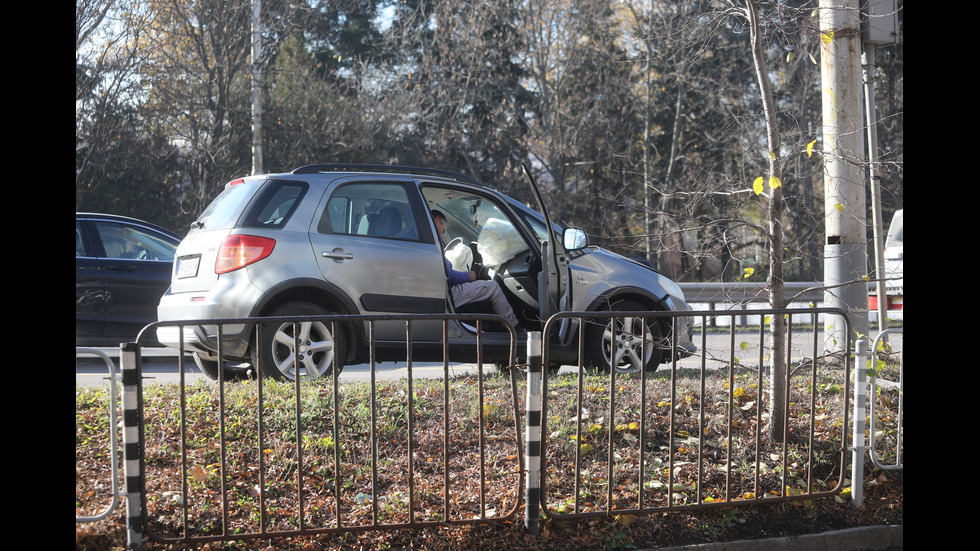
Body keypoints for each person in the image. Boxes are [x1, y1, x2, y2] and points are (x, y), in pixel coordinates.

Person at [431, 210, 521, 329]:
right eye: (443, 231)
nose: (442, 236)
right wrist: (469, 276)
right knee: (492, 287)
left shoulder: (425, 242)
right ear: (437, 222)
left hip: (439, 293)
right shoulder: (433, 242)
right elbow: (449, 276)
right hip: (446, 294)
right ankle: (516, 330)